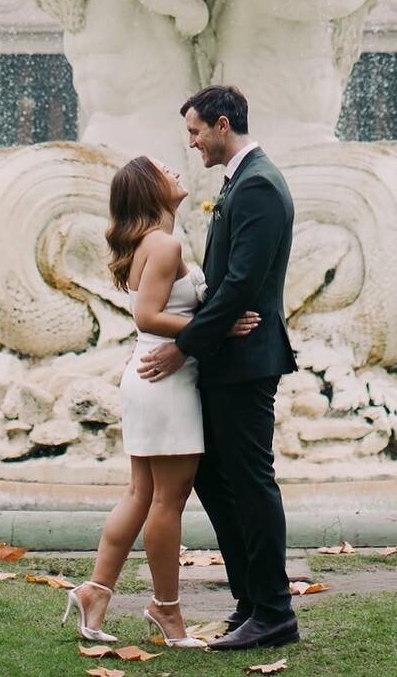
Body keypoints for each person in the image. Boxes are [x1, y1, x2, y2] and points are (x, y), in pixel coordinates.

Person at [65, 155, 261, 649]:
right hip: (165, 379)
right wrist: (216, 326)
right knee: (167, 501)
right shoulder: (166, 244)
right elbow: (148, 316)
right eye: (163, 169)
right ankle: (167, 613)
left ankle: (95, 592)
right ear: (151, 190)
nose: (176, 170)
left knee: (140, 495)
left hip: (150, 374)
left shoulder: (148, 243)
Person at [138, 84, 300, 655]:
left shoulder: (257, 185)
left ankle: (274, 610)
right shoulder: (242, 182)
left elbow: (242, 286)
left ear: (223, 125)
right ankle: (251, 600)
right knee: (216, 478)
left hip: (246, 362)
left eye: (195, 132)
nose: (192, 144)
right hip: (229, 358)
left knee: (252, 483)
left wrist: (184, 347)